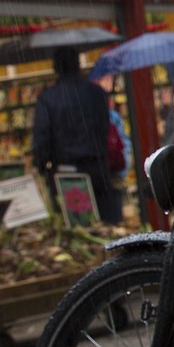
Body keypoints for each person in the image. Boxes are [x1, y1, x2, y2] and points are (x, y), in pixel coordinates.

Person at [31, 48, 123, 224]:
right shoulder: (97, 94)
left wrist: (41, 165)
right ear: (78, 65)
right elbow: (105, 127)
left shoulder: (47, 98)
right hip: (99, 168)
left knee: (76, 225)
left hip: (66, 173)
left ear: (55, 68)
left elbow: (42, 136)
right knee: (106, 224)